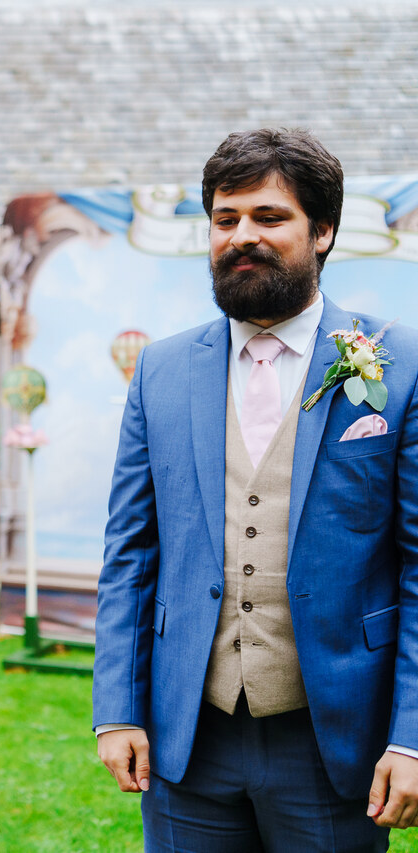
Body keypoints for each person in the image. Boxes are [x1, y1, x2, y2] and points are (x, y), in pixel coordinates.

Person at [93, 128, 418, 851]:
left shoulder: (401, 366)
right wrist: (116, 708)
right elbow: (130, 552)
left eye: (270, 218)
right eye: (225, 218)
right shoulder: (162, 370)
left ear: (324, 230)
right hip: (188, 739)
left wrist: (413, 738)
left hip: (335, 740)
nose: (243, 236)